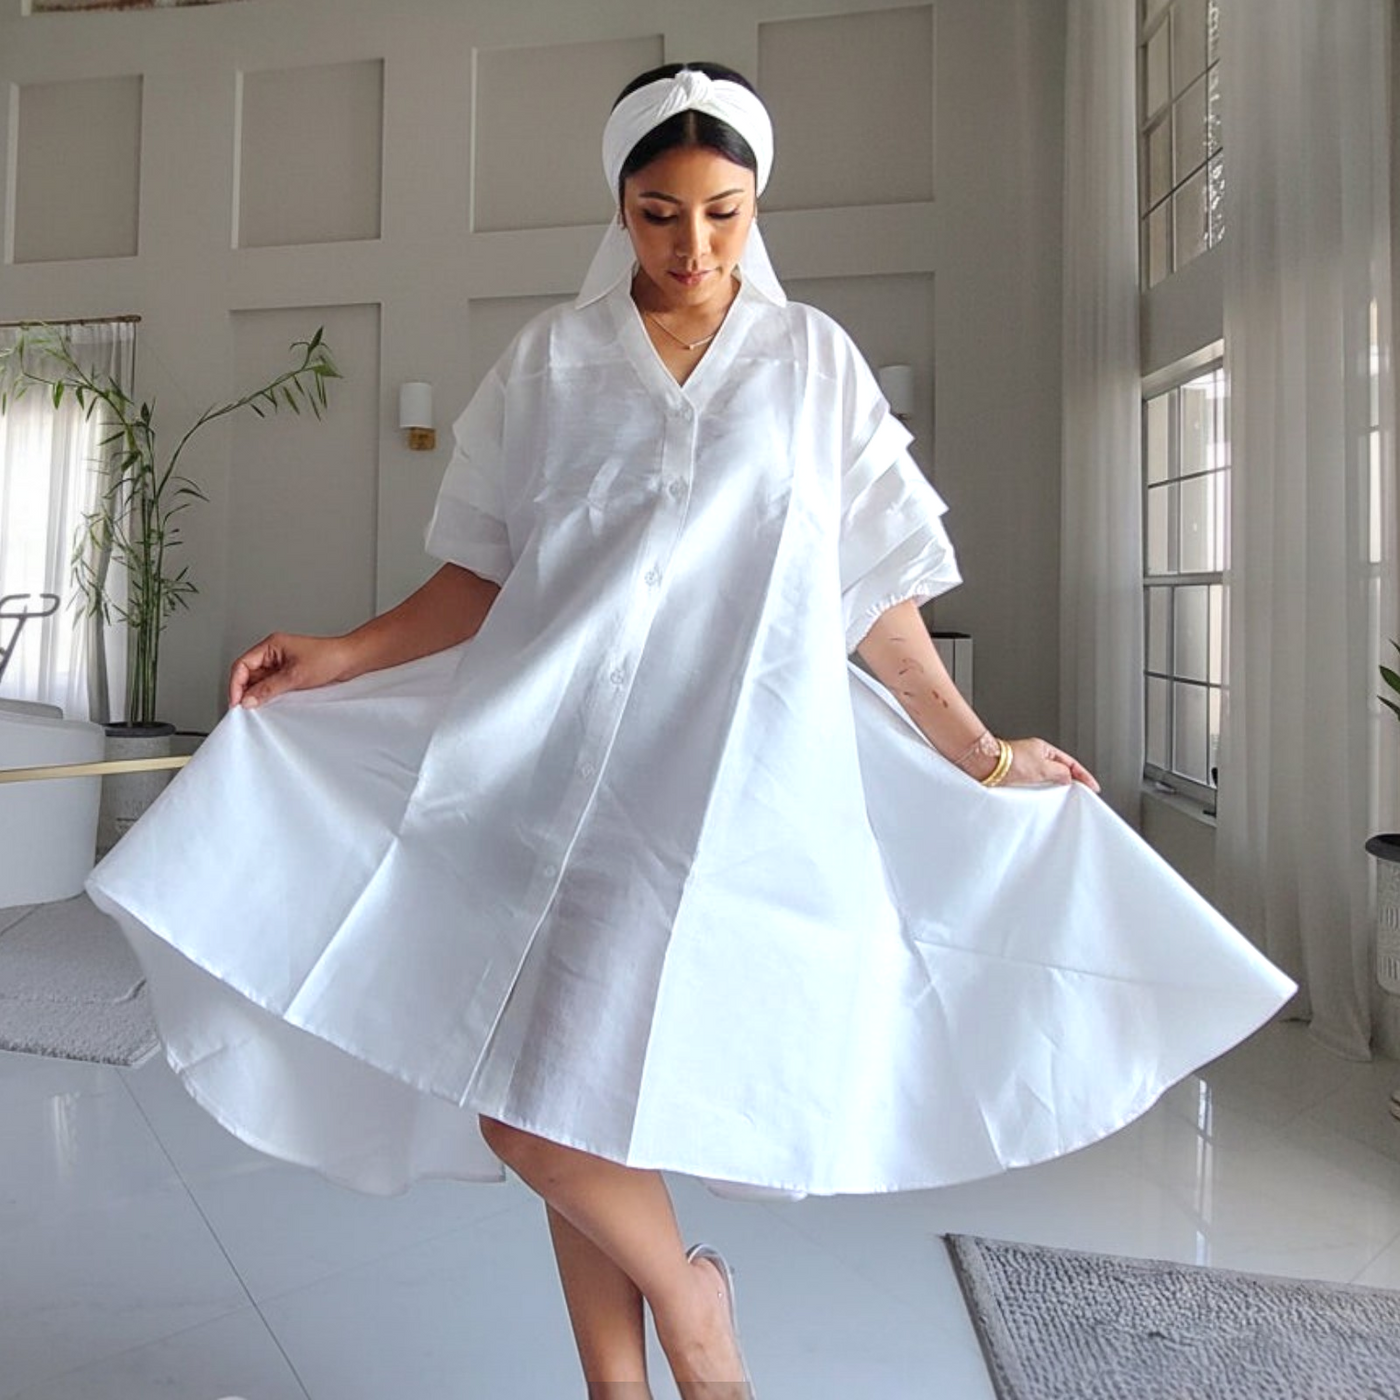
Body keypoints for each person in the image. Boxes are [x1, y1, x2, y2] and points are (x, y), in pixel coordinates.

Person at [89, 63, 1294, 1400]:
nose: (694, 247)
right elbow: (482, 575)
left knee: (548, 1113)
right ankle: (647, 1360)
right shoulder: (550, 363)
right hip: (543, 779)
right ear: (620, 205)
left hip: (726, 796)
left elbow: (873, 596)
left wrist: (982, 754)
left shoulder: (812, 364)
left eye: (725, 212)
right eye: (660, 213)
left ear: (758, 204)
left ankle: (689, 1308)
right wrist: (345, 652)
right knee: (549, 1106)